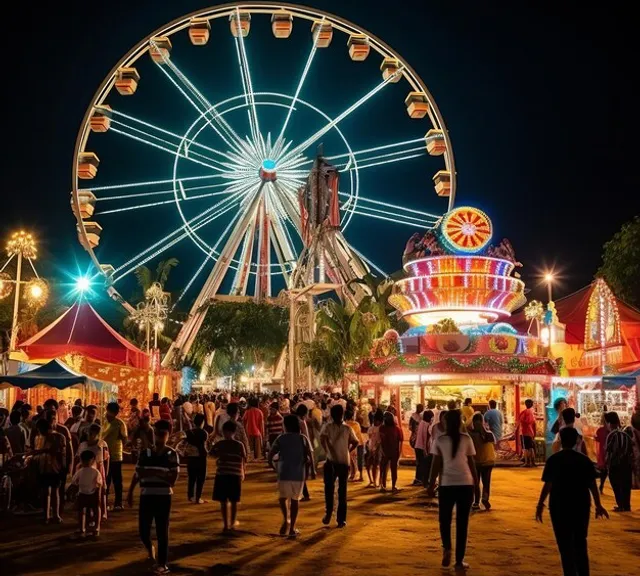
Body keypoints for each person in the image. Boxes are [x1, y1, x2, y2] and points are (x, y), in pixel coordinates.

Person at [536, 427, 608, 576]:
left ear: (560, 441)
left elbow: (547, 484)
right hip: (580, 504)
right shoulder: (584, 460)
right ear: (577, 440)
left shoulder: (554, 460)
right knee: (580, 542)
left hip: (559, 505)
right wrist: (598, 505)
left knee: (564, 545)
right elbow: (592, 484)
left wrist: (540, 504)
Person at [127, 420, 179, 575]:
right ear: (154, 434)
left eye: (163, 434)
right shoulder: (146, 453)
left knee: (162, 530)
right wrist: (130, 492)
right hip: (146, 495)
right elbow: (138, 473)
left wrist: (151, 472)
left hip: (163, 496)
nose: (160, 437)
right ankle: (150, 549)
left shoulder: (172, 454)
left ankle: (162, 563)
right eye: (158, 434)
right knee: (143, 530)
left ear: (168, 436)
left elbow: (172, 479)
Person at [427, 410, 477, 571]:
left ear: (446, 423)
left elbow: (435, 464)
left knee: (444, 520)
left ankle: (447, 547)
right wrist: (476, 485)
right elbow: (472, 464)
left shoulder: (440, 440)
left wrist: (430, 484)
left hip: (446, 484)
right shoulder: (466, 439)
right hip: (465, 484)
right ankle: (459, 560)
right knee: (463, 524)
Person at [268, 414, 312, 538]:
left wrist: (273, 466)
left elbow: (270, 454)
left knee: (282, 498)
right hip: (298, 473)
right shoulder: (302, 438)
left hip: (284, 472)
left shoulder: (280, 438)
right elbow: (310, 455)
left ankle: (286, 518)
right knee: (295, 500)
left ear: (285, 425)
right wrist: (312, 470)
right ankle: (292, 527)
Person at [320, 404, 358, 528]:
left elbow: (322, 438)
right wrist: (347, 449)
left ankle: (332, 514)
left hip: (334, 461)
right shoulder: (346, 428)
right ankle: (338, 517)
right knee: (339, 491)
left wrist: (328, 450)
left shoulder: (330, 427)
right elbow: (355, 442)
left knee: (331, 490)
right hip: (341, 461)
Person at [211, 420, 247, 533]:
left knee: (224, 501)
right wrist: (243, 472)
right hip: (235, 474)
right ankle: (231, 524)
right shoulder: (239, 445)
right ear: (234, 432)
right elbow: (244, 459)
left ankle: (226, 525)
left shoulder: (220, 444)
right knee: (234, 500)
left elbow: (212, 454)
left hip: (222, 474)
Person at [33, 418, 67, 524]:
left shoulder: (57, 437)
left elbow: (59, 452)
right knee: (49, 492)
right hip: (46, 467)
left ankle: (53, 515)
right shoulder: (39, 437)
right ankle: (49, 515)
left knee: (52, 491)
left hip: (53, 467)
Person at [44, 408, 73, 517]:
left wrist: (70, 465)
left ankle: (58, 513)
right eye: (49, 419)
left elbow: (69, 450)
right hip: (47, 466)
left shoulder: (63, 430)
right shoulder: (43, 431)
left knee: (59, 490)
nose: (52, 421)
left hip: (60, 465)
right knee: (47, 490)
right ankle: (47, 513)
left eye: (53, 418)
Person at [77, 423, 109, 520]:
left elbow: (106, 459)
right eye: (90, 433)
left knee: (100, 491)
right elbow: (79, 459)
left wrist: (106, 472)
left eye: (94, 433)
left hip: (98, 469)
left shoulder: (102, 444)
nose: (91, 435)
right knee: (87, 491)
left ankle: (103, 512)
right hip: (85, 470)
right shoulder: (83, 445)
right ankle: (89, 514)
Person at [604, 411, 633, 512]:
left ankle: (621, 505)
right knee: (625, 485)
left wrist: (607, 464)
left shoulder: (612, 435)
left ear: (609, 423)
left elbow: (609, 451)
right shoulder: (625, 433)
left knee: (617, 485)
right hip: (627, 464)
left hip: (615, 464)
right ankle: (626, 505)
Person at [71, 449, 103, 538]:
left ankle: (96, 527)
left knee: (93, 510)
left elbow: (99, 484)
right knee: (82, 512)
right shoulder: (81, 471)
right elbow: (74, 482)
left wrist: (98, 495)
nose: (85, 462)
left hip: (90, 493)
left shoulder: (94, 472)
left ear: (92, 460)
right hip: (83, 494)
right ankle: (83, 528)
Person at [102, 401, 127, 511]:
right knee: (105, 480)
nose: (109, 414)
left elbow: (124, 439)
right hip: (103, 455)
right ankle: (104, 502)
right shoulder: (103, 422)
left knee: (117, 480)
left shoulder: (120, 424)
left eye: (112, 412)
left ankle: (118, 502)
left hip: (116, 455)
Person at [468, 413, 496, 510]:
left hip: (477, 461)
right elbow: (494, 444)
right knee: (486, 482)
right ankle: (485, 498)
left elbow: (465, 426)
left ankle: (476, 501)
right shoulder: (489, 434)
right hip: (489, 461)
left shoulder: (471, 434)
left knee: (476, 482)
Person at [185, 413, 208, 504]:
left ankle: (190, 496)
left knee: (191, 478)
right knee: (200, 478)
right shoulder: (203, 433)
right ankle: (198, 497)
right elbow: (204, 446)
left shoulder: (188, 433)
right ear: (202, 422)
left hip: (191, 457)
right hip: (200, 457)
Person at [379, 411, 404, 493]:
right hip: (394, 451)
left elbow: (381, 440)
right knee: (393, 469)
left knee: (383, 468)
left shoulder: (382, 428)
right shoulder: (397, 429)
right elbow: (400, 441)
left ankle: (383, 485)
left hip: (386, 451)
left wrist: (381, 450)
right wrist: (399, 453)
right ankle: (392, 486)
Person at [415, 410, 434, 487]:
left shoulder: (421, 423)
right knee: (424, 464)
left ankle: (418, 479)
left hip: (418, 446)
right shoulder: (426, 425)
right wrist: (426, 450)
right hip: (422, 447)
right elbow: (425, 438)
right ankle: (423, 480)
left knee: (419, 464)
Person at [345, 408, 364, 482]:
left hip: (351, 444)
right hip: (359, 443)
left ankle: (353, 474)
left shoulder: (346, 425)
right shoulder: (356, 424)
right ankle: (357, 475)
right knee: (358, 460)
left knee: (352, 460)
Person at [365, 411, 383, 487]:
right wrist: (370, 448)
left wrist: (375, 448)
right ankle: (372, 480)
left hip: (378, 448)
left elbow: (379, 440)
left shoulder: (381, 428)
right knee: (369, 465)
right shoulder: (371, 428)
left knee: (375, 465)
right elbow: (369, 439)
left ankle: (376, 481)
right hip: (371, 448)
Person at [517, 399, 537, 466]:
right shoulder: (533, 412)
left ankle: (526, 462)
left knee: (525, 448)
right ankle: (533, 462)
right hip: (531, 432)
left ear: (526, 404)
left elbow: (521, 421)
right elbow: (534, 424)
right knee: (531, 447)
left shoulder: (525, 412)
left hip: (524, 432)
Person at [595, 414, 609, 493]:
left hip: (603, 452)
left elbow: (597, 439)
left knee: (604, 470)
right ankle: (602, 485)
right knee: (606, 470)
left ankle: (602, 485)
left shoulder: (600, 430)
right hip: (608, 452)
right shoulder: (611, 430)